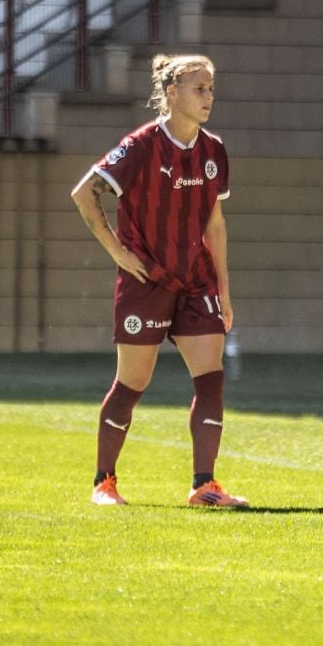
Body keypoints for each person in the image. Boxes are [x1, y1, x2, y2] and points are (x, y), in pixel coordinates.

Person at [69, 54, 242, 508]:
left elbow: (216, 225)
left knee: (211, 380)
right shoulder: (141, 145)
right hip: (146, 282)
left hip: (197, 281)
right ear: (171, 93)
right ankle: (104, 484)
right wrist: (117, 252)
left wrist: (223, 288)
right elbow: (84, 194)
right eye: (199, 88)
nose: (209, 97)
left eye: (211, 88)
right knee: (132, 384)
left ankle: (204, 485)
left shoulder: (214, 149)